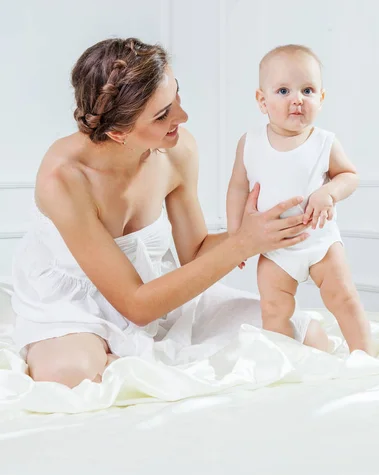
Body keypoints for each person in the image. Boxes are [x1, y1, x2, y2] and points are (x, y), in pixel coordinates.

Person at [11, 37, 327, 389]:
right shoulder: (64, 178)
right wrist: (243, 244)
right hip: (76, 303)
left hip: (156, 287)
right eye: (163, 114)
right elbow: (135, 304)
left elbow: (195, 251)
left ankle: (134, 357)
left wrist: (274, 229)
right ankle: (108, 354)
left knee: (304, 333)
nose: (183, 116)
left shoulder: (176, 151)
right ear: (118, 132)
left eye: (176, 96)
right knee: (72, 374)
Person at [227, 44, 372, 354]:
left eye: (307, 90)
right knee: (274, 308)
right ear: (261, 100)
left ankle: (365, 353)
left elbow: (349, 176)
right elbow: (238, 188)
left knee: (343, 298)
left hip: (320, 242)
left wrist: (328, 192)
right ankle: (285, 358)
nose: (297, 99)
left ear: (321, 98)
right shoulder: (249, 143)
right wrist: (235, 234)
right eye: (283, 90)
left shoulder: (324, 141)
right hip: (275, 248)